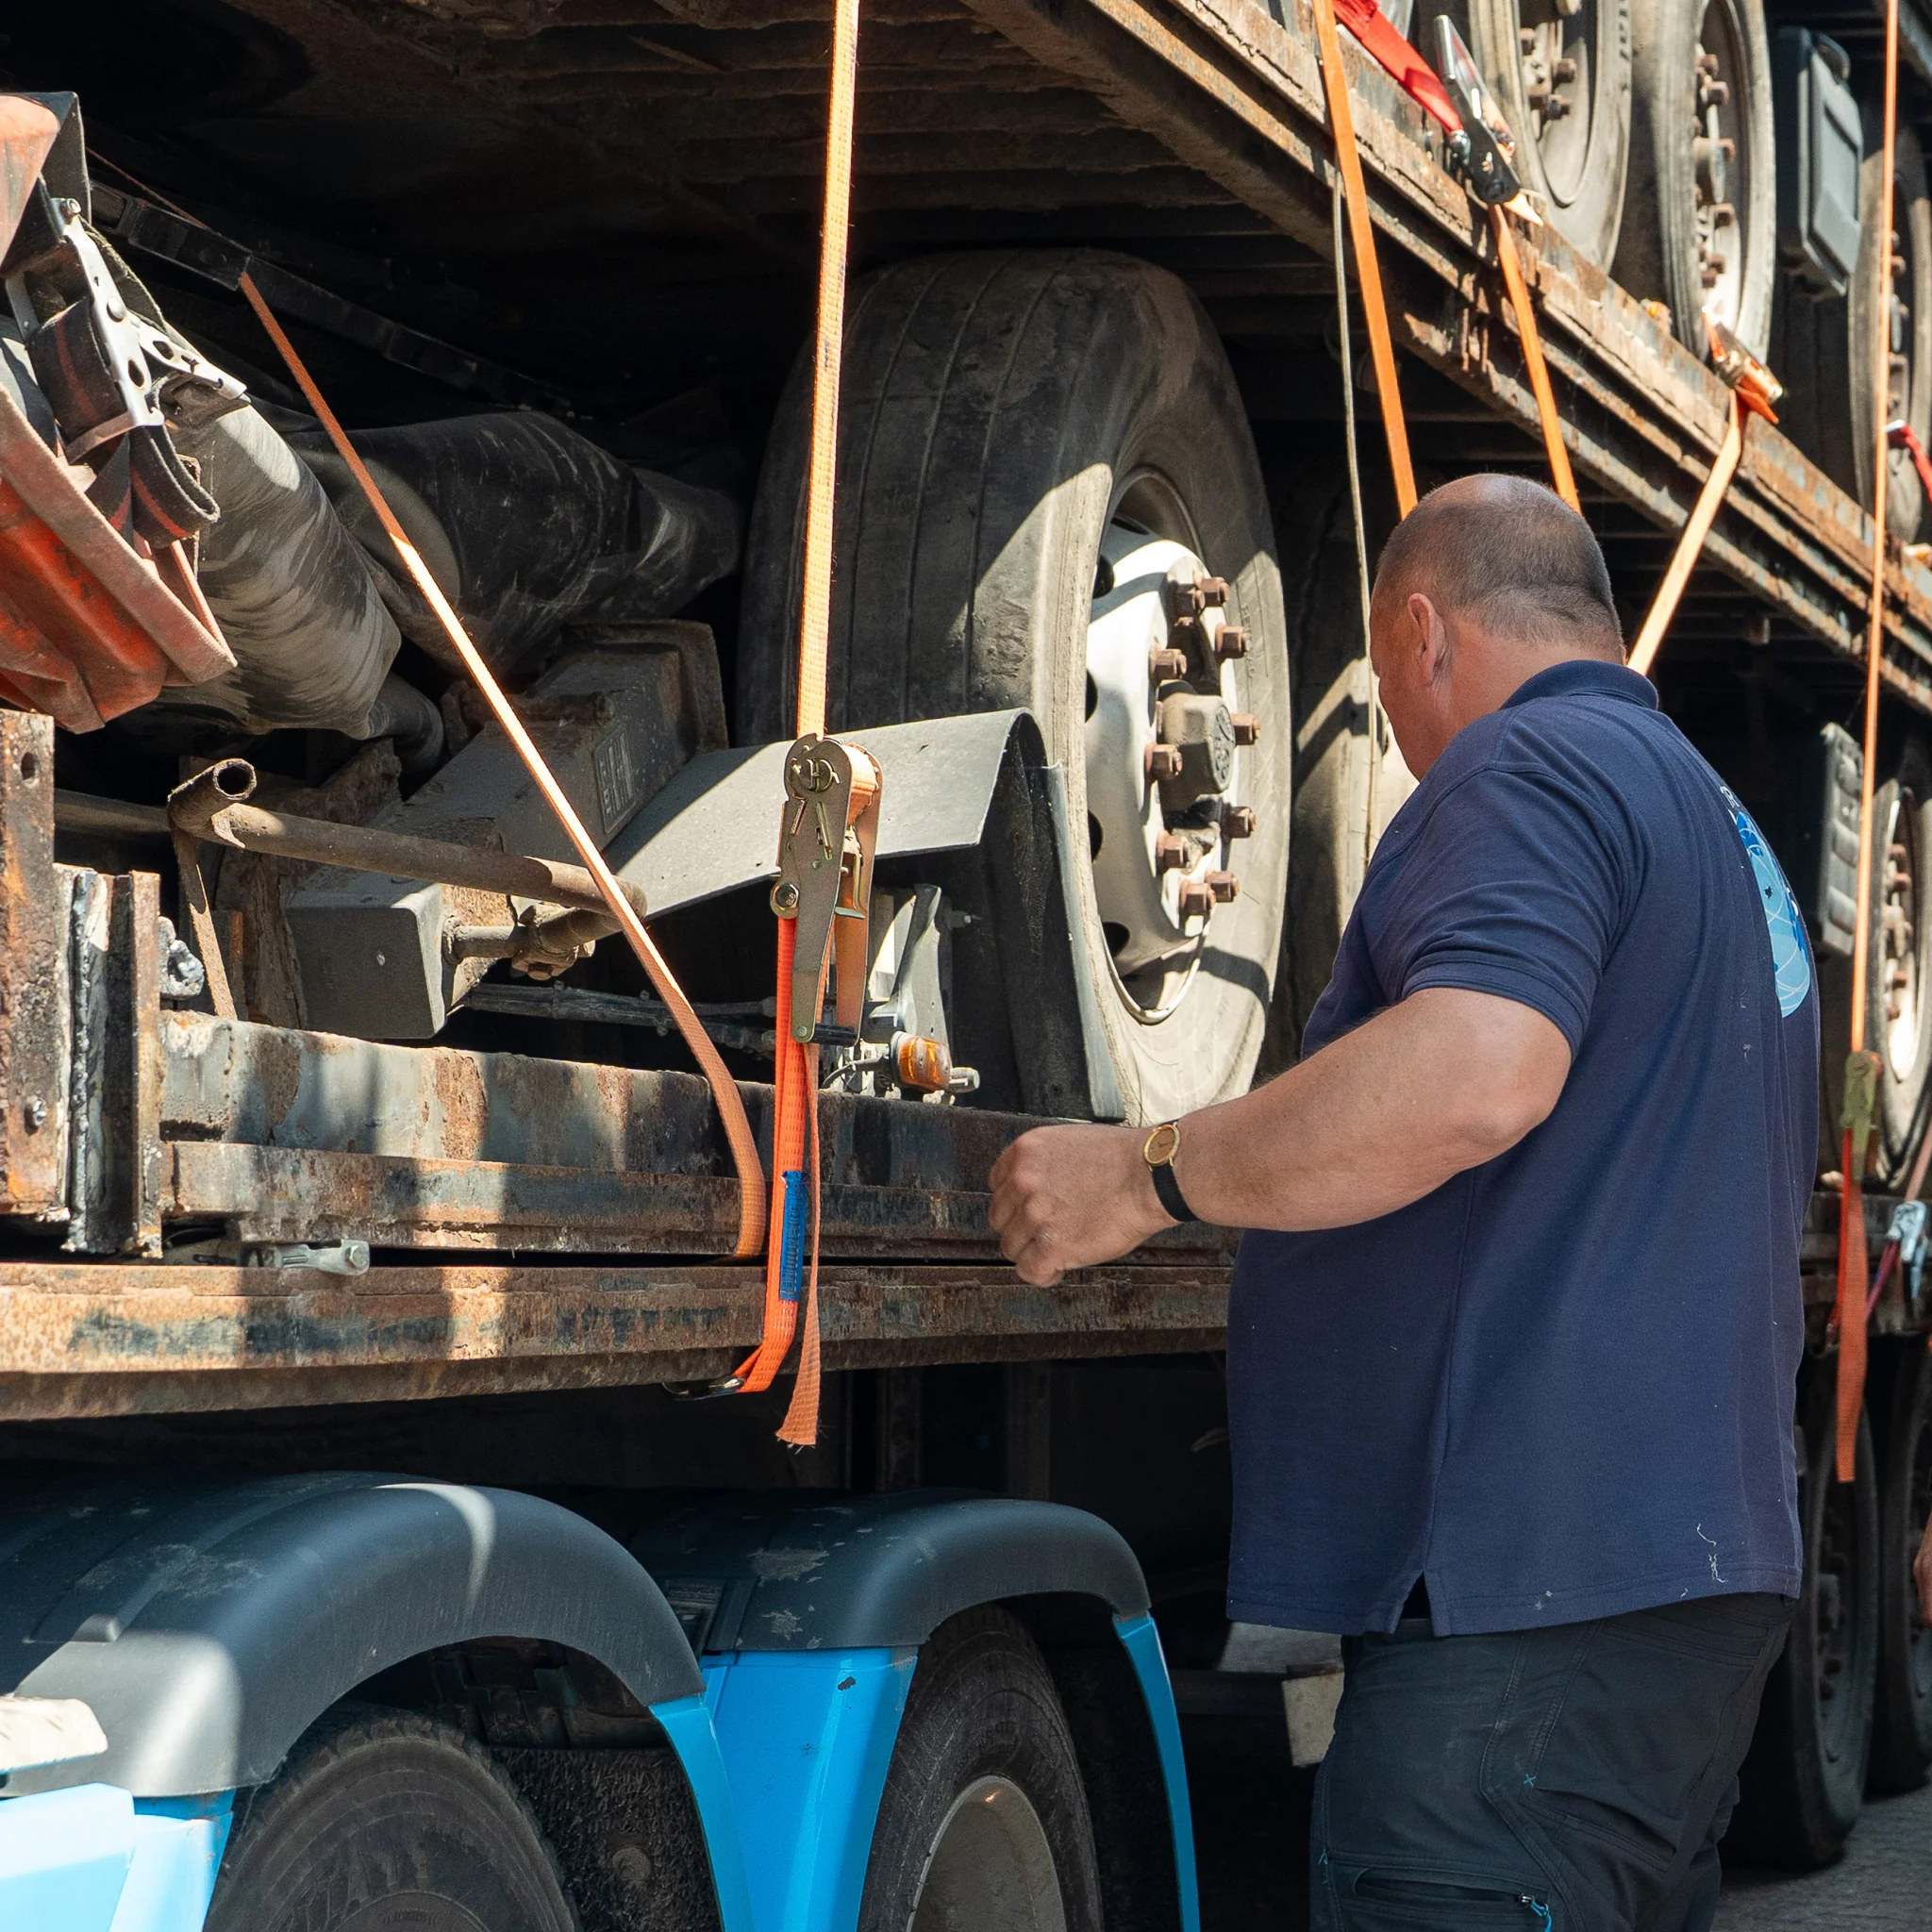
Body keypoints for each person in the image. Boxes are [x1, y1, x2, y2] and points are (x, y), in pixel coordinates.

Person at [991, 475, 1816, 1930]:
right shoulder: (1726, 835)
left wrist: (1145, 1172)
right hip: (1678, 1598)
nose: (1403, 733)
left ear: (1425, 634)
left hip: (1524, 1618)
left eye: (1383, 686)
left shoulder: (1526, 770)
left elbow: (1476, 1075)